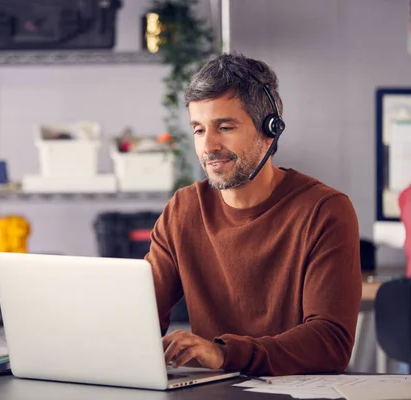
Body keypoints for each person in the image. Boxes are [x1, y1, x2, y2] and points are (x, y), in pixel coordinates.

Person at [146, 53, 362, 376]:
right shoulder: (183, 210)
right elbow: (140, 313)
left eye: (225, 127)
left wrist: (223, 354)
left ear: (269, 131)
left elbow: (330, 342)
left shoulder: (324, 211)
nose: (209, 147)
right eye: (199, 130)